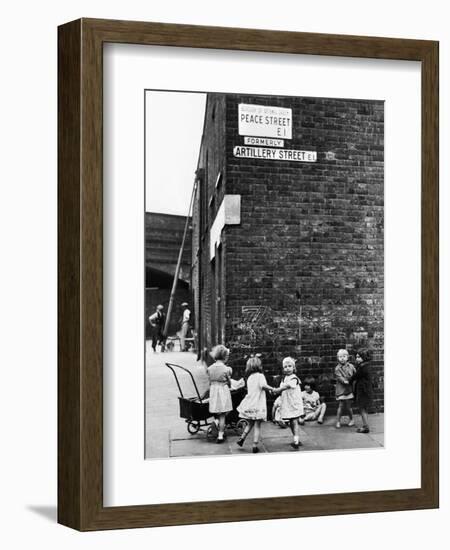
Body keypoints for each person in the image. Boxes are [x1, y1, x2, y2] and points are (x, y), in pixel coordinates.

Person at [236, 355, 274, 453]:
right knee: (257, 425)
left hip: (250, 403)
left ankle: (242, 438)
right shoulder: (260, 376)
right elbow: (263, 386)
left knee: (250, 423)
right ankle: (255, 445)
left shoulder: (250, 378)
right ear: (259, 366)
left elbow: (255, 389)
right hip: (258, 405)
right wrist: (272, 389)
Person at [272, 357, 304, 449]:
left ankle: (296, 440)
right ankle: (295, 438)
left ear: (294, 368)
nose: (287, 368)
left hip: (293, 403)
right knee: (291, 421)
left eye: (290, 366)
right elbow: (282, 387)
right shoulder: (284, 378)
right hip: (287, 403)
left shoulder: (294, 378)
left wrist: (277, 390)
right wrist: (275, 391)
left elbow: (285, 387)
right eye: (285, 366)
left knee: (294, 420)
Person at [207, 345, 233, 443]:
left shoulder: (209, 369)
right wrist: (229, 385)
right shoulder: (226, 369)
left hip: (213, 391)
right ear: (225, 357)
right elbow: (229, 382)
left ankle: (215, 421)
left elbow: (210, 381)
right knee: (223, 414)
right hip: (223, 391)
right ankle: (220, 434)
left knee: (216, 410)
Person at [352, 348, 374, 433]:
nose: (357, 359)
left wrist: (348, 380)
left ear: (364, 357)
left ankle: (365, 427)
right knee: (364, 408)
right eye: (356, 357)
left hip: (363, 391)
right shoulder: (366, 365)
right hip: (366, 391)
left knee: (362, 409)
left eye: (359, 357)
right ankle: (365, 425)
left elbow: (355, 376)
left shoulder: (362, 367)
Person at [334, 349, 356, 428]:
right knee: (341, 405)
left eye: (344, 356)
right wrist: (345, 381)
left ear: (347, 357)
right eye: (340, 357)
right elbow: (339, 377)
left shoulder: (351, 366)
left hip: (349, 389)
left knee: (348, 406)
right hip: (341, 389)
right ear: (338, 358)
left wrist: (353, 380)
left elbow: (355, 374)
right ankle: (338, 421)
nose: (342, 358)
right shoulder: (337, 368)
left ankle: (352, 419)